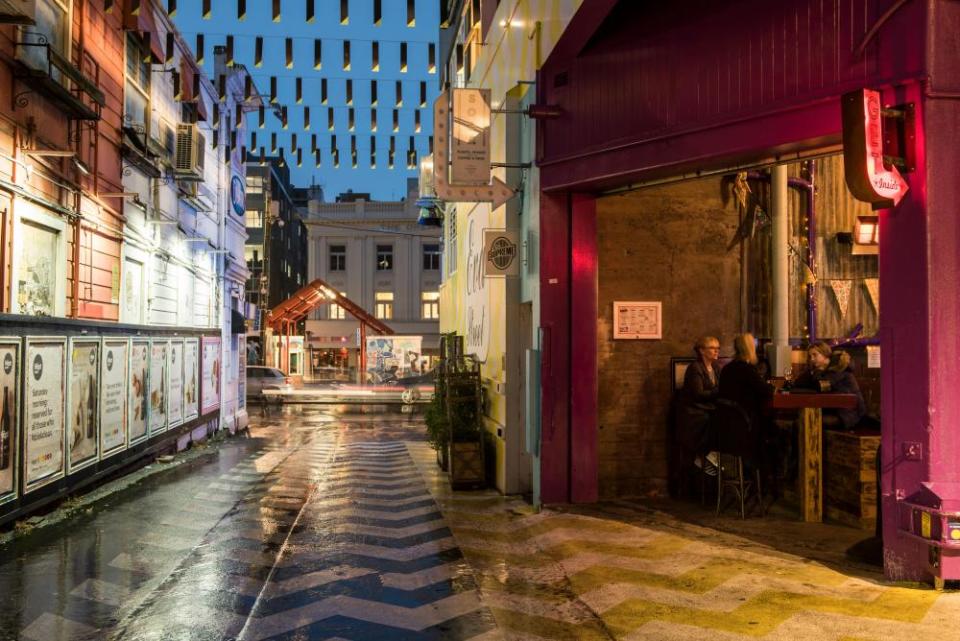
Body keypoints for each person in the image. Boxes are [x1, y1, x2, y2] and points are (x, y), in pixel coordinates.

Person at [794, 341, 866, 429]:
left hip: (847, 415)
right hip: (832, 411)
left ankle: (821, 443)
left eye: (814, 355)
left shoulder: (838, 368)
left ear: (825, 354)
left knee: (807, 423)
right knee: (801, 421)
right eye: (810, 356)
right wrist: (810, 371)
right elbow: (798, 383)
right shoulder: (820, 369)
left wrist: (816, 372)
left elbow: (821, 386)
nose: (811, 359)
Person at [678, 336, 722, 473]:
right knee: (715, 420)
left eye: (718, 348)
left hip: (709, 408)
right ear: (702, 351)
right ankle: (705, 455)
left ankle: (711, 454)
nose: (716, 351)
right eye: (712, 348)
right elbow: (698, 394)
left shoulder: (715, 367)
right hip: (696, 412)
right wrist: (718, 392)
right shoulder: (695, 368)